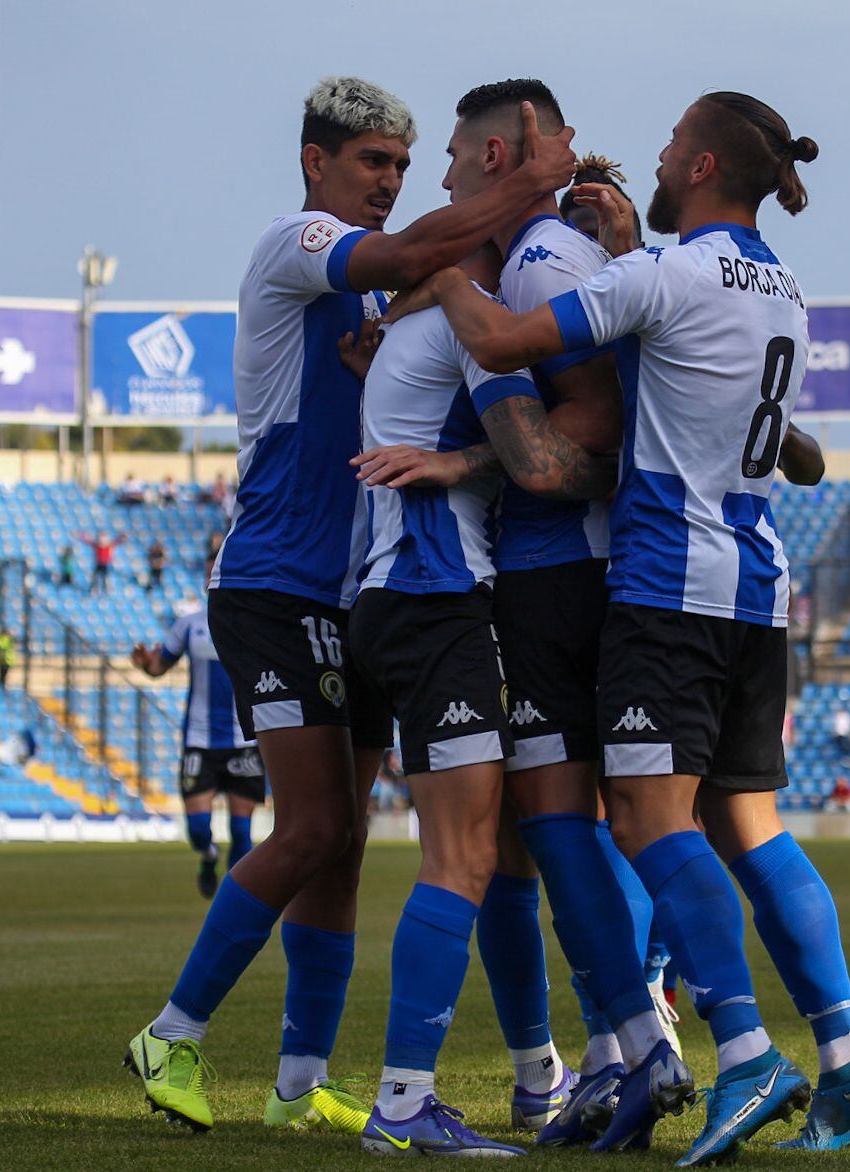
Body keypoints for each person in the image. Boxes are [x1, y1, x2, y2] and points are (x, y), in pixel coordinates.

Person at [404, 90, 850, 1158]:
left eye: (674, 146)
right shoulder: (784, 288)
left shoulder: (660, 274)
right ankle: (848, 1052)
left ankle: (742, 1050)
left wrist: (436, 266)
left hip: (667, 587)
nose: (657, 165)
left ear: (708, 164)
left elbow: (497, 338)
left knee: (638, 818)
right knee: (748, 830)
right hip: (754, 592)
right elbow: (786, 444)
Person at [122, 75, 578, 1145]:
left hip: (354, 587)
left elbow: (416, 290)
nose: (388, 184)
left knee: (341, 847)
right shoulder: (298, 243)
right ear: (315, 162)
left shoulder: (381, 298)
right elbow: (404, 255)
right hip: (274, 583)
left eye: (400, 169)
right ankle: (170, 1033)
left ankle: (298, 1079)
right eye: (371, 163)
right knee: (317, 822)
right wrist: (529, 188)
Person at [350, 226, 623, 1155]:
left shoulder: (408, 338)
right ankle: (400, 1103)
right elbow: (546, 463)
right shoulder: (470, 334)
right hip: (437, 600)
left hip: (410, 597)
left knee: (500, 851)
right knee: (462, 859)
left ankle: (534, 1077)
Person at [130, 584, 266, 898]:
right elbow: (158, 666)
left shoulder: (255, 618)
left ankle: (234, 901)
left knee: (242, 832)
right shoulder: (190, 623)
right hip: (200, 740)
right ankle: (208, 856)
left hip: (243, 740)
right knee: (198, 829)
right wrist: (146, 663)